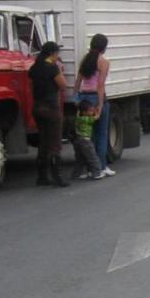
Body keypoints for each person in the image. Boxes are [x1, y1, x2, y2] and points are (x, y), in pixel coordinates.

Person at [29, 41, 70, 188]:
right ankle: (58, 177)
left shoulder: (34, 67)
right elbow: (63, 85)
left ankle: (42, 176)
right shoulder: (53, 67)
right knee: (55, 143)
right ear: (53, 53)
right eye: (57, 53)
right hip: (51, 108)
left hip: (37, 107)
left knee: (43, 142)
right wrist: (58, 68)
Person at [76, 33, 114, 178]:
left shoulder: (85, 60)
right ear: (103, 48)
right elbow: (100, 86)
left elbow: (78, 81)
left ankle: (89, 168)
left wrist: (76, 97)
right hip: (95, 97)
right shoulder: (103, 62)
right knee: (102, 134)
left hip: (84, 98)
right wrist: (100, 104)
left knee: (88, 135)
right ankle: (101, 166)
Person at [70, 99, 104, 181]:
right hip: (86, 141)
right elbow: (97, 117)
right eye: (91, 111)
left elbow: (78, 111)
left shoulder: (78, 117)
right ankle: (97, 173)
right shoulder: (87, 119)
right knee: (92, 157)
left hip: (77, 140)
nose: (92, 112)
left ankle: (76, 174)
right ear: (85, 112)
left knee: (80, 159)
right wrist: (98, 111)